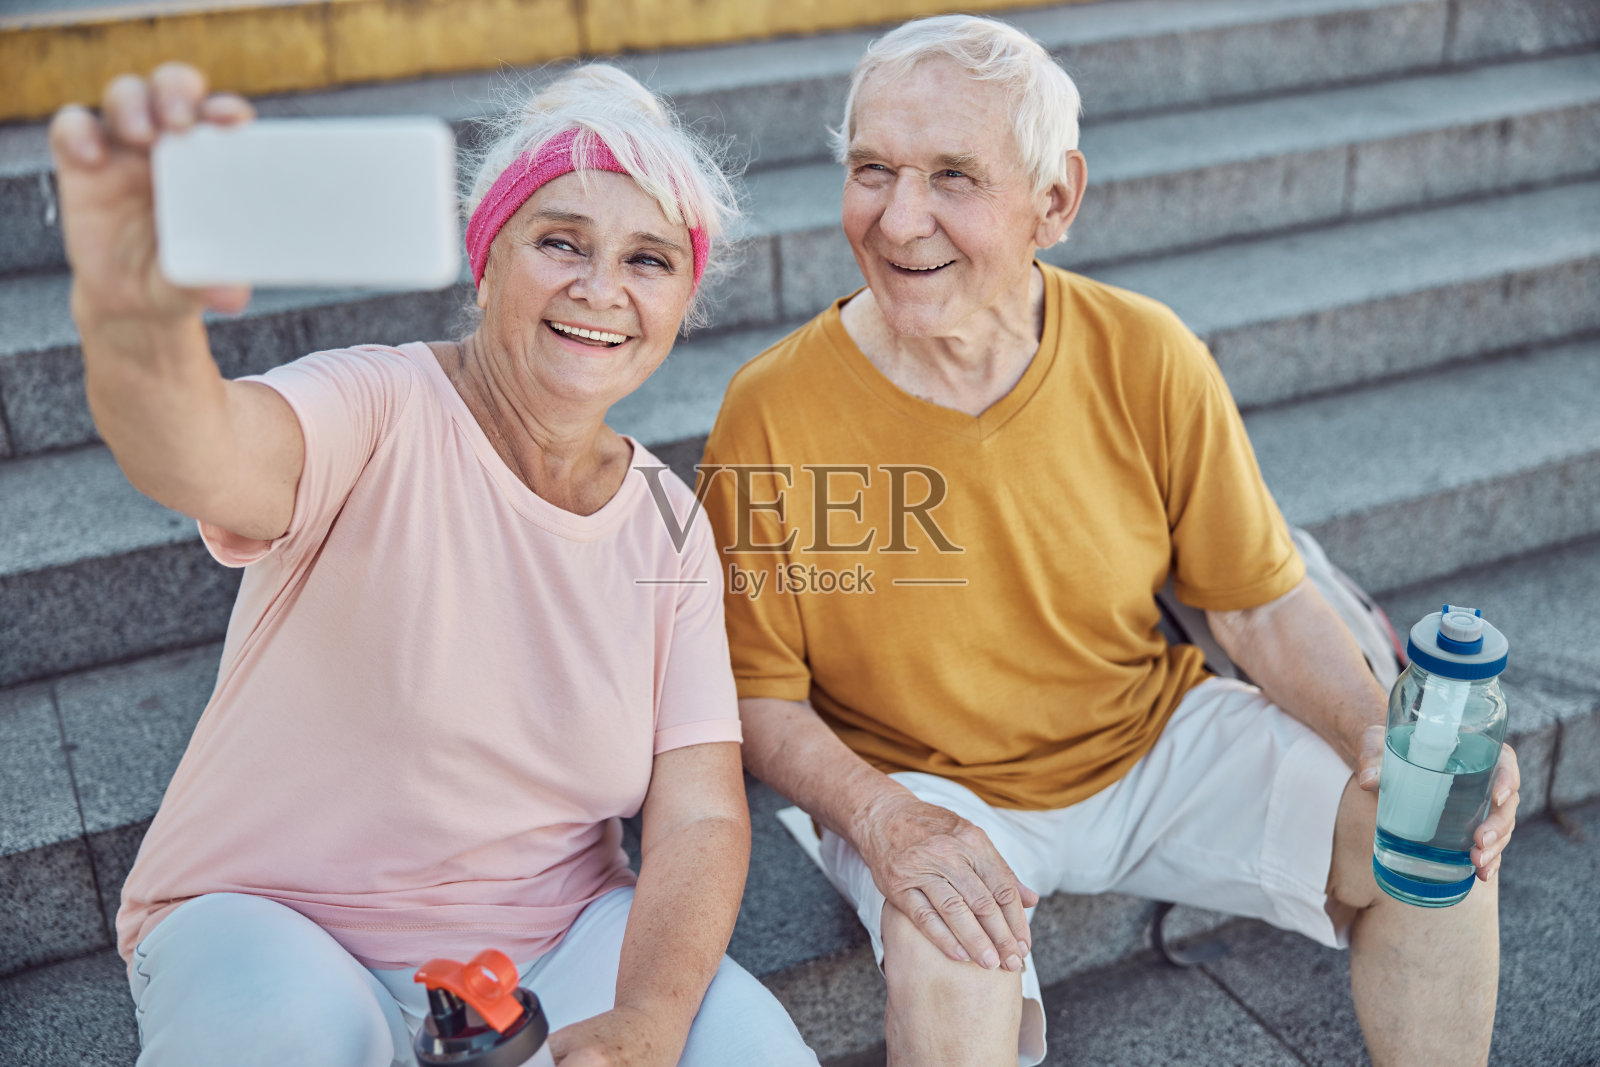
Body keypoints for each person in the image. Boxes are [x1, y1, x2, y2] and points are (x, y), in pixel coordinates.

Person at [700, 15, 1520, 1067]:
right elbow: (760, 696)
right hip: (924, 779)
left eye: (954, 176)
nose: (899, 219)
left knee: (1434, 833)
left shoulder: (1147, 351)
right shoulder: (770, 407)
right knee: (952, 947)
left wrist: (1380, 739)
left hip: (1148, 736)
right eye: (873, 169)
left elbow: (1258, 602)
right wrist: (888, 822)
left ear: (1056, 200)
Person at [49, 60, 817, 1067]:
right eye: (560, 241)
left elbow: (703, 811)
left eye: (648, 260)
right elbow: (206, 451)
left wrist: (649, 1016)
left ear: (683, 298)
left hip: (554, 937)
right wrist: (133, 320)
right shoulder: (376, 405)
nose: (600, 289)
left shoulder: (665, 521)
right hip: (275, 916)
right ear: (487, 257)